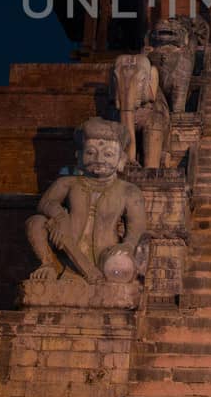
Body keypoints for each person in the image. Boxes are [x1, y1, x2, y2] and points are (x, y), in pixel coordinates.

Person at [26, 118, 147, 284]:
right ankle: (48, 265)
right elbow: (45, 203)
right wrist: (61, 219)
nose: (99, 158)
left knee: (126, 262)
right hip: (66, 256)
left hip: (107, 261)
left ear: (121, 160)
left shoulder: (129, 191)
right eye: (90, 152)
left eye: (108, 154)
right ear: (79, 156)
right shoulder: (68, 183)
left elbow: (137, 228)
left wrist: (128, 245)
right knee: (36, 222)